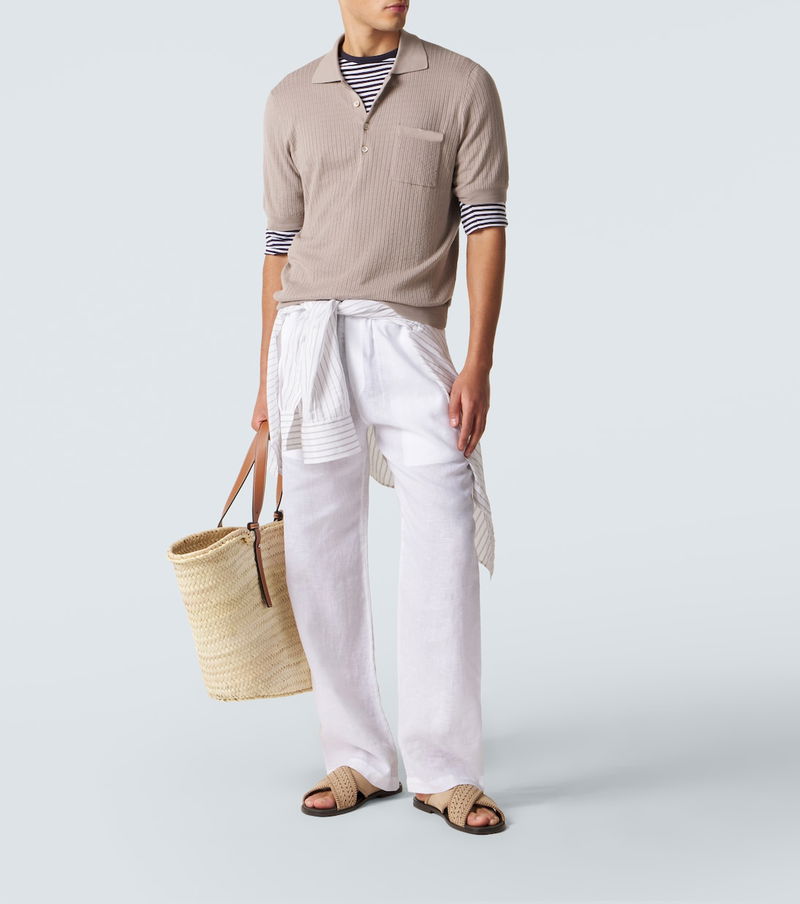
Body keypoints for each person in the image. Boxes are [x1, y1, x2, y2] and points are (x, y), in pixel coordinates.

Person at [252, 0, 509, 835]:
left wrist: (477, 362)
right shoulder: (291, 98)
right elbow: (279, 246)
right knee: (318, 547)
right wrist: (265, 381)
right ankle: (357, 755)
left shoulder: (463, 85)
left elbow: (485, 225)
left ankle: (445, 769)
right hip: (308, 341)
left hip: (410, 340)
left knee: (444, 535)